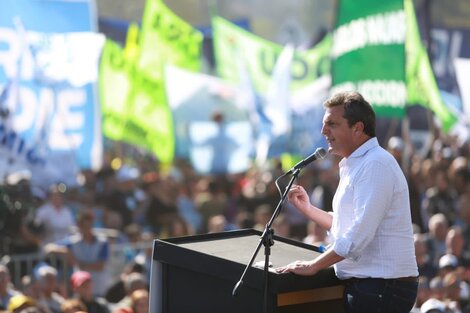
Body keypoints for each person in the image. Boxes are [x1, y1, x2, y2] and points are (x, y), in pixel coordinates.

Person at [275, 91, 419, 313]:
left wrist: (314, 266)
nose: (324, 131)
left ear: (358, 128)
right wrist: (309, 210)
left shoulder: (375, 165)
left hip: (382, 286)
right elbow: (349, 225)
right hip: (374, 286)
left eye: (332, 124)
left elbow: (359, 235)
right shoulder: (357, 165)